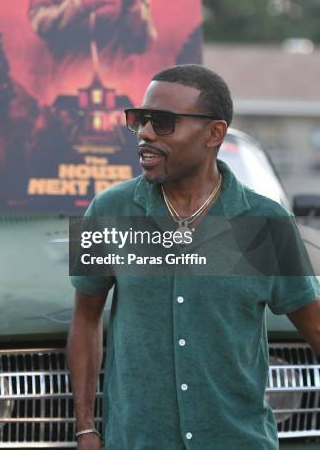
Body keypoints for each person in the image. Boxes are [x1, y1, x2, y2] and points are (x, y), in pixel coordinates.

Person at [68, 64, 320, 449]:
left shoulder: (266, 223)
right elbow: (85, 319)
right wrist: (85, 428)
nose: (145, 133)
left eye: (164, 122)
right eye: (140, 120)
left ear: (214, 133)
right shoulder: (108, 210)